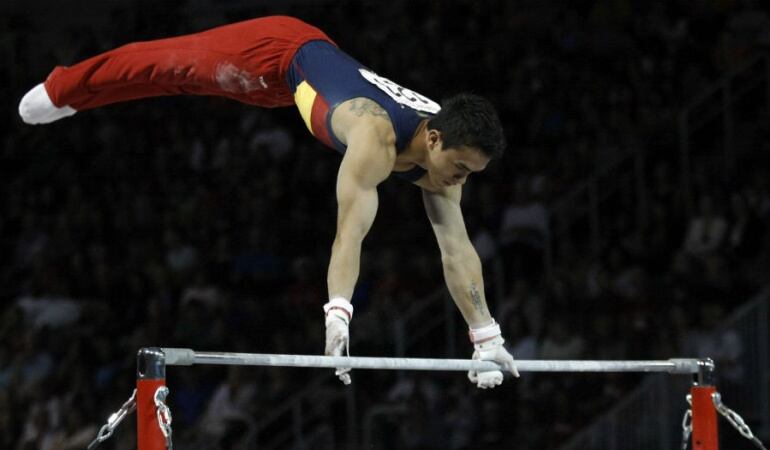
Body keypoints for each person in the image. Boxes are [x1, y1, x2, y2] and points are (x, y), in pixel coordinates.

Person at [18, 15, 518, 388]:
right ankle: (64, 88)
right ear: (433, 139)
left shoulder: (445, 160)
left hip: (295, 90)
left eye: (471, 173)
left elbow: (457, 250)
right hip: (278, 51)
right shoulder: (374, 135)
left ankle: (488, 337)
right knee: (169, 65)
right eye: (461, 167)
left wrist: (487, 337)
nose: (461, 180)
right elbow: (350, 230)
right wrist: (338, 313)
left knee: (180, 78)